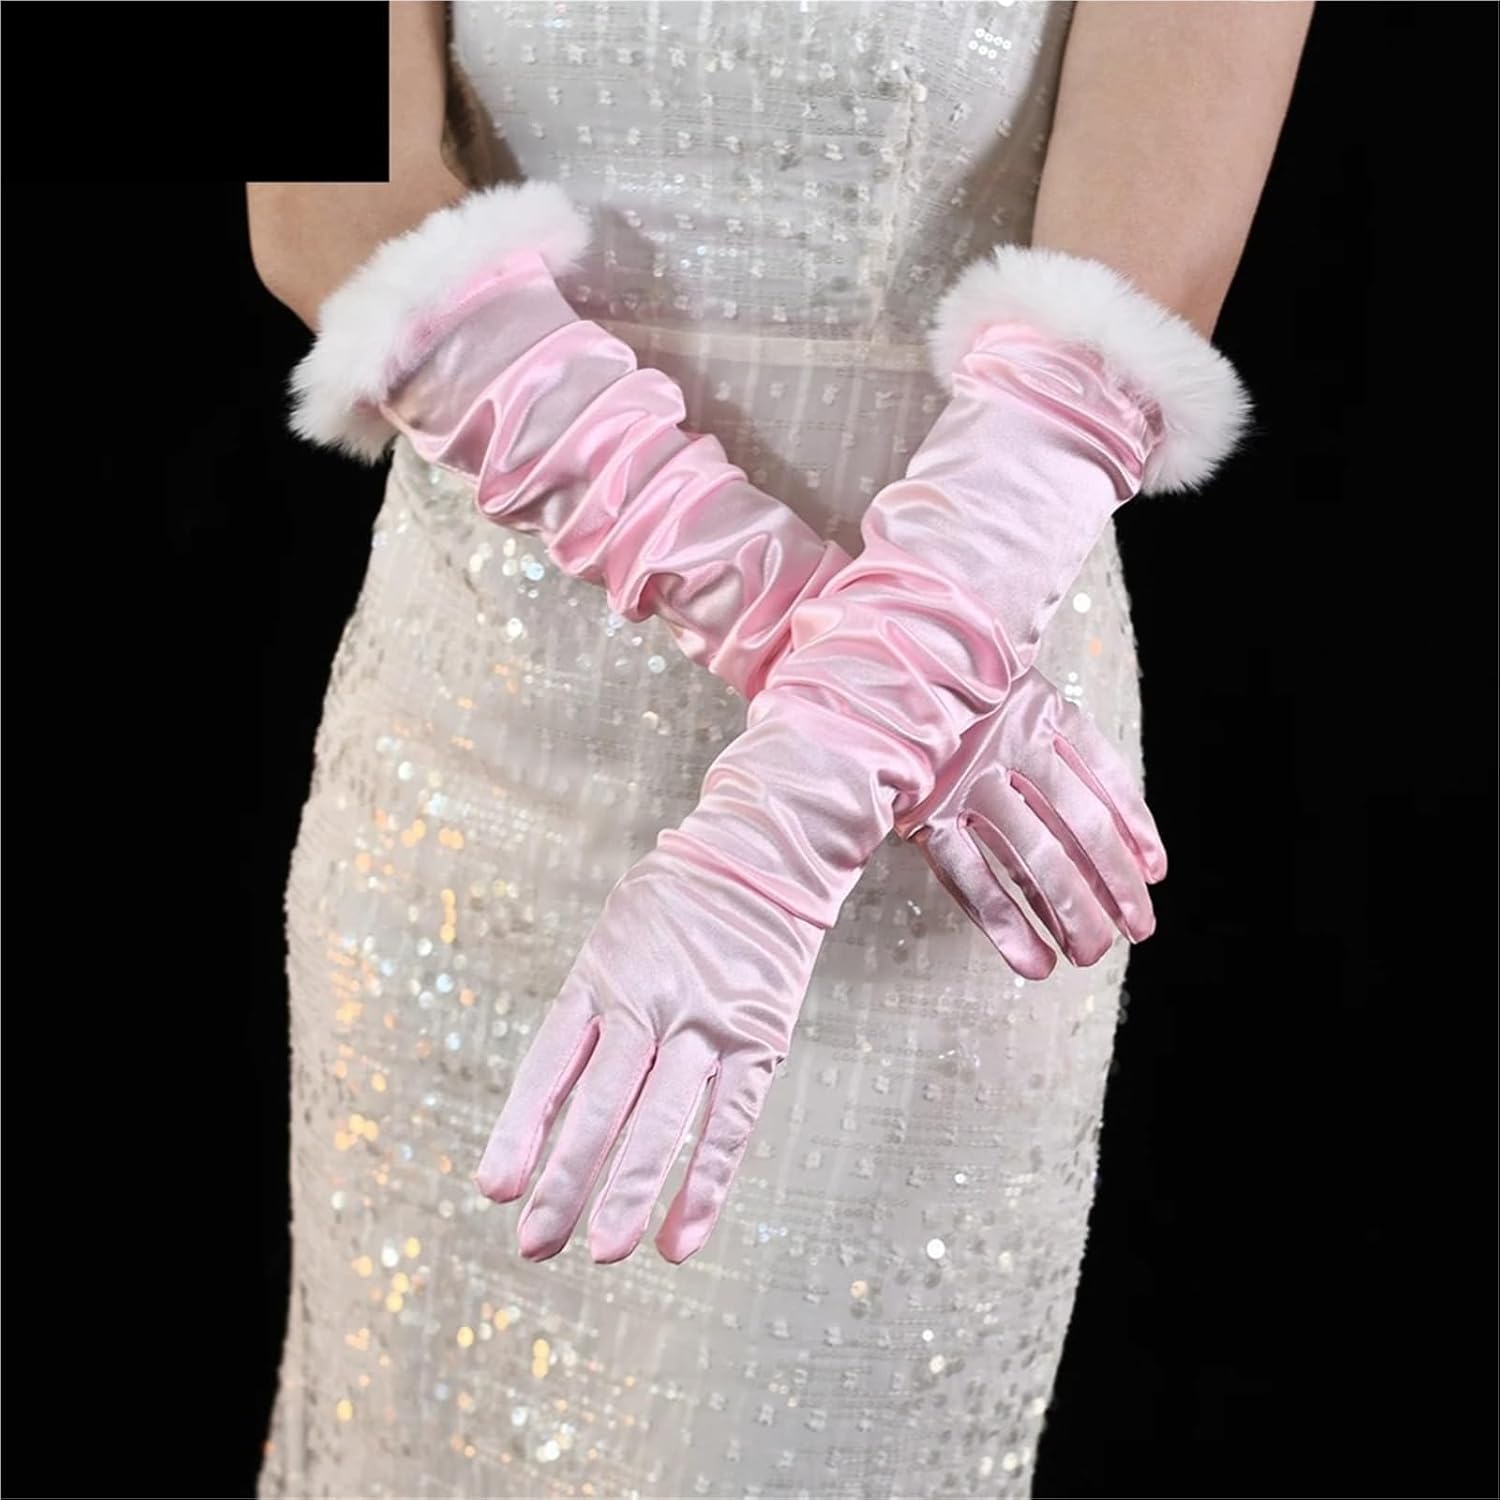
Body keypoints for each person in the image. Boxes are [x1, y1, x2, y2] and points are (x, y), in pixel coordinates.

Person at [248, 3, 1310, 1494]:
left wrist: (800, 801)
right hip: (476, 775)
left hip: (919, 835)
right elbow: (315, 214)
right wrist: (805, 641)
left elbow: (1129, 297)